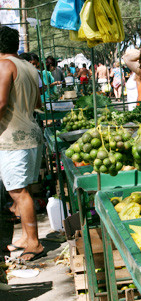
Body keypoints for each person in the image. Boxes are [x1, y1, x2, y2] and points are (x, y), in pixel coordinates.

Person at [0, 26, 44, 261]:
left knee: (18, 192)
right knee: (23, 188)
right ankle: (28, 238)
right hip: (31, 132)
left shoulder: (4, 65)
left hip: (13, 138)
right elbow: (37, 100)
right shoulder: (29, 67)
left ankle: (34, 243)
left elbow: (0, 102)